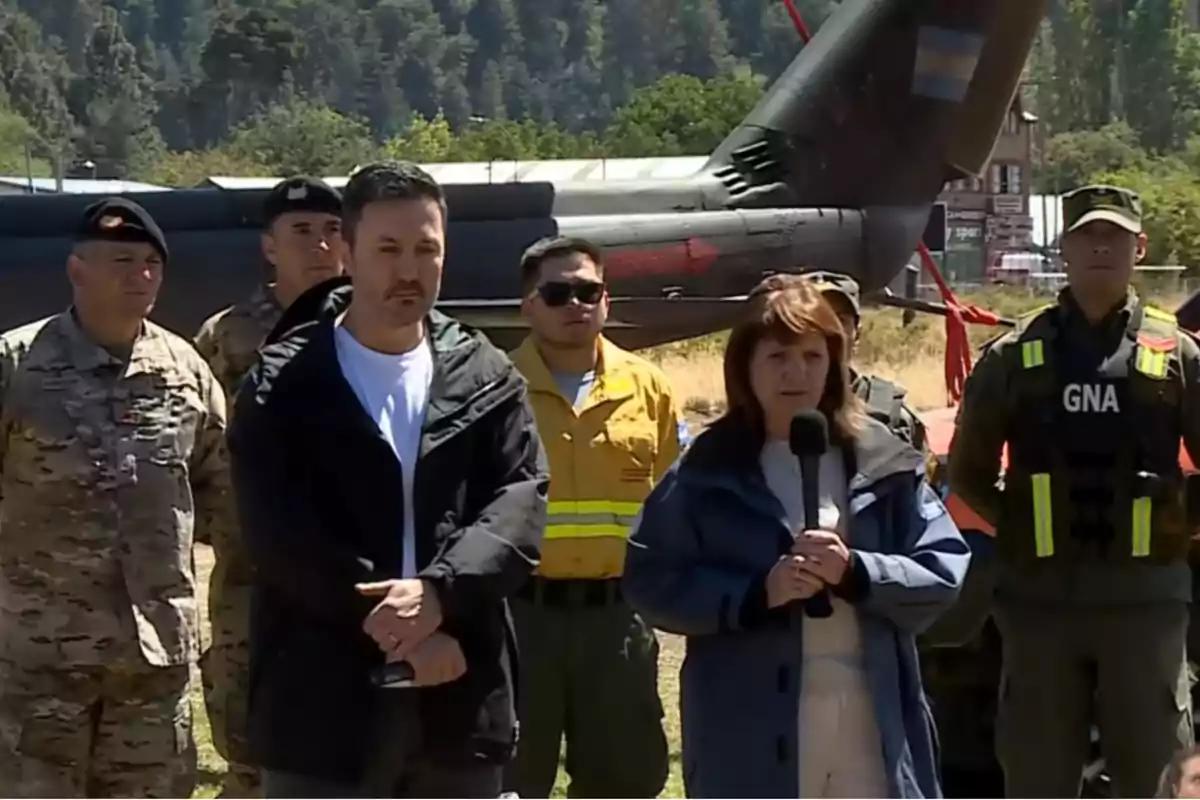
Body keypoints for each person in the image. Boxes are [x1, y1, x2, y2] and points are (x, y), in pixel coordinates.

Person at [226, 160, 550, 798]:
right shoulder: (283, 384)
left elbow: (518, 503)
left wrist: (441, 598)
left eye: (426, 249)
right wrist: (395, 624)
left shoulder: (484, 375)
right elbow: (278, 534)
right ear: (346, 251)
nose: (409, 270)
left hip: (457, 695)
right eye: (388, 249)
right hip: (321, 704)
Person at [622, 274, 969, 798]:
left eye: (812, 357)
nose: (796, 373)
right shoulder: (706, 469)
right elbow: (651, 580)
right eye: (778, 356)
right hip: (749, 722)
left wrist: (858, 571)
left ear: (835, 364)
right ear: (745, 366)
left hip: (871, 713)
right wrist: (756, 595)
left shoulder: (883, 458)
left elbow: (945, 568)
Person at [948, 183, 1200, 798]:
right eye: (1087, 235)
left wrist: (1179, 522)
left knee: (1155, 777)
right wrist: (1020, 525)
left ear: (1139, 249)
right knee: (1038, 777)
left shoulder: (1179, 355)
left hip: (1144, 603)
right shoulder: (1014, 355)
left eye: (1114, 237)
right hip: (1040, 607)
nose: (1100, 248)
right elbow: (968, 472)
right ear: (1063, 248)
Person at [0, 196, 229, 796]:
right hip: (40, 666)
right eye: (123, 260)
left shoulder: (186, 371)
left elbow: (222, 491)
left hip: (151, 669)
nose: (142, 275)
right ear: (77, 269)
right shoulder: (16, 366)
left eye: (152, 263)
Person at [504, 236, 684, 798]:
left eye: (589, 291)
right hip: (519, 619)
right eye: (557, 293)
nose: (576, 304)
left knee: (623, 779)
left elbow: (672, 498)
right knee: (508, 778)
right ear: (527, 305)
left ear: (607, 299)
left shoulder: (648, 387)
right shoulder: (495, 387)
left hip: (617, 621)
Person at [194, 174, 344, 798]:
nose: (320, 245)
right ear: (269, 247)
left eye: (333, 231)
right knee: (250, 741)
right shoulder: (226, 338)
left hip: (349, 574)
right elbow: (193, 446)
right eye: (301, 232)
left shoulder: (372, 327)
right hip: (250, 579)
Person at [806, 270, 926, 450]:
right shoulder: (770, 410)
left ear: (857, 334)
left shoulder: (894, 416)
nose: (830, 331)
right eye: (816, 320)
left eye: (841, 320)